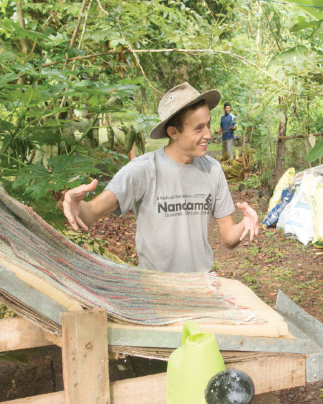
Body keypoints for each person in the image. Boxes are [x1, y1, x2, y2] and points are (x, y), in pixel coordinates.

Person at [62, 82, 258, 273]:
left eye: (208, 125)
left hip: (199, 287)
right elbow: (92, 212)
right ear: (173, 132)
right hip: (154, 288)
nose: (208, 134)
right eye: (198, 128)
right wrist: (78, 208)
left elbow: (228, 238)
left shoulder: (213, 169)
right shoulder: (143, 170)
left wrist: (244, 225)